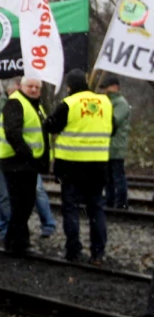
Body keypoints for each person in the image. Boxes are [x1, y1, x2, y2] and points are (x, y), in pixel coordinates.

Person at [45, 69, 113, 264]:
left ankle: (73, 251)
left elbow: (50, 126)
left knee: (71, 208)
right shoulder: (105, 103)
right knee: (96, 209)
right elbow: (113, 127)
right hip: (98, 165)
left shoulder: (68, 104)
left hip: (71, 165)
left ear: (69, 87)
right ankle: (98, 253)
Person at [0, 77, 50, 255]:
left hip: (26, 163)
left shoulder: (36, 105)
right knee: (22, 204)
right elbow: (13, 133)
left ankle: (15, 242)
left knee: (24, 204)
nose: (34, 89)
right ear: (22, 86)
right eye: (30, 86)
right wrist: (28, 155)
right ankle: (17, 243)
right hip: (16, 163)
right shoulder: (16, 103)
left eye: (37, 87)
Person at [101, 74, 131, 209]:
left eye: (106, 87)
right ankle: (110, 201)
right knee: (109, 178)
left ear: (115, 87)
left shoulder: (121, 103)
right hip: (107, 146)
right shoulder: (109, 102)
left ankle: (121, 203)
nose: (104, 91)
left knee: (118, 176)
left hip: (116, 146)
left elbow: (113, 122)